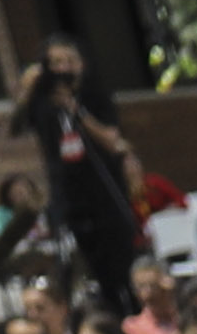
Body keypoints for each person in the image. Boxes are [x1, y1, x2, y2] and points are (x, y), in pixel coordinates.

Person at [8, 35, 141, 305]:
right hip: (68, 199)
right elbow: (15, 127)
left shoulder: (95, 96)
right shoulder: (42, 102)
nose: (63, 69)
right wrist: (27, 90)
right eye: (56, 62)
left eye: (69, 61)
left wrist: (75, 110)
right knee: (90, 275)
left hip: (105, 195)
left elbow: (112, 140)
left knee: (124, 268)